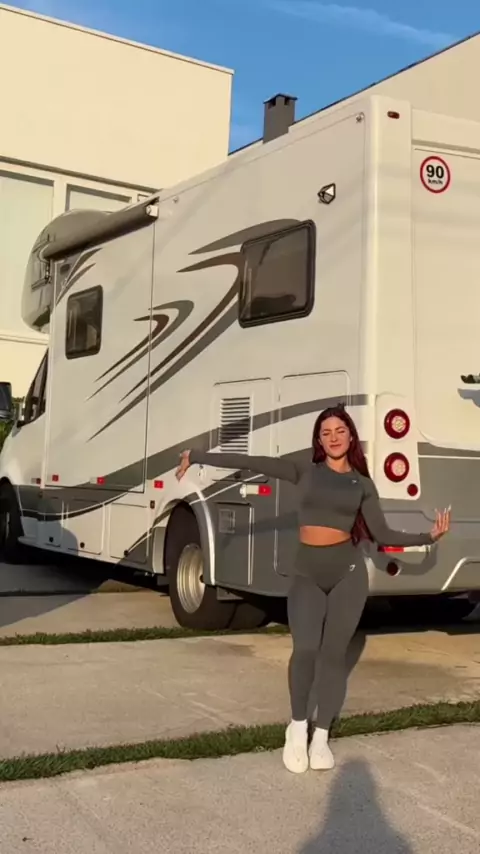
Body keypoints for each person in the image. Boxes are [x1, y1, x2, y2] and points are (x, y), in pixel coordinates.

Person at [175, 405, 450, 774]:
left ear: (351, 436)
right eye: (326, 432)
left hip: (348, 574)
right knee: (305, 650)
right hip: (307, 572)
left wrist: (428, 537)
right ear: (319, 440)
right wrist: (198, 456)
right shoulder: (304, 470)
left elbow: (382, 533)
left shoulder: (362, 484)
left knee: (334, 656)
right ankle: (297, 727)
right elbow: (252, 461)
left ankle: (321, 737)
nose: (334, 437)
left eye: (340, 430)